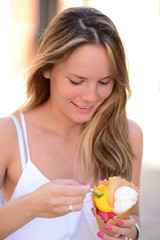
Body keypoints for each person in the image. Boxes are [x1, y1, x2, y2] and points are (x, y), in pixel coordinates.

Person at [0, 6, 143, 240]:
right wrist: (32, 205)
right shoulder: (8, 135)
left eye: (104, 82)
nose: (91, 97)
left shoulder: (128, 134)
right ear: (47, 68)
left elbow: (134, 217)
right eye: (77, 81)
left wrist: (131, 232)